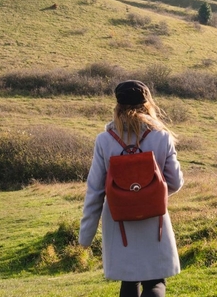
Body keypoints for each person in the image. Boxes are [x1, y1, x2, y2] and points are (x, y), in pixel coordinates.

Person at [79, 80, 184, 297]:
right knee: (155, 281)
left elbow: (95, 190)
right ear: (147, 104)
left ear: (118, 105)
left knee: (128, 281)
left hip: (119, 223)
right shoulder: (162, 136)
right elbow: (175, 182)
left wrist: (86, 236)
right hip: (154, 220)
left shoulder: (104, 140)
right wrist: (149, 195)